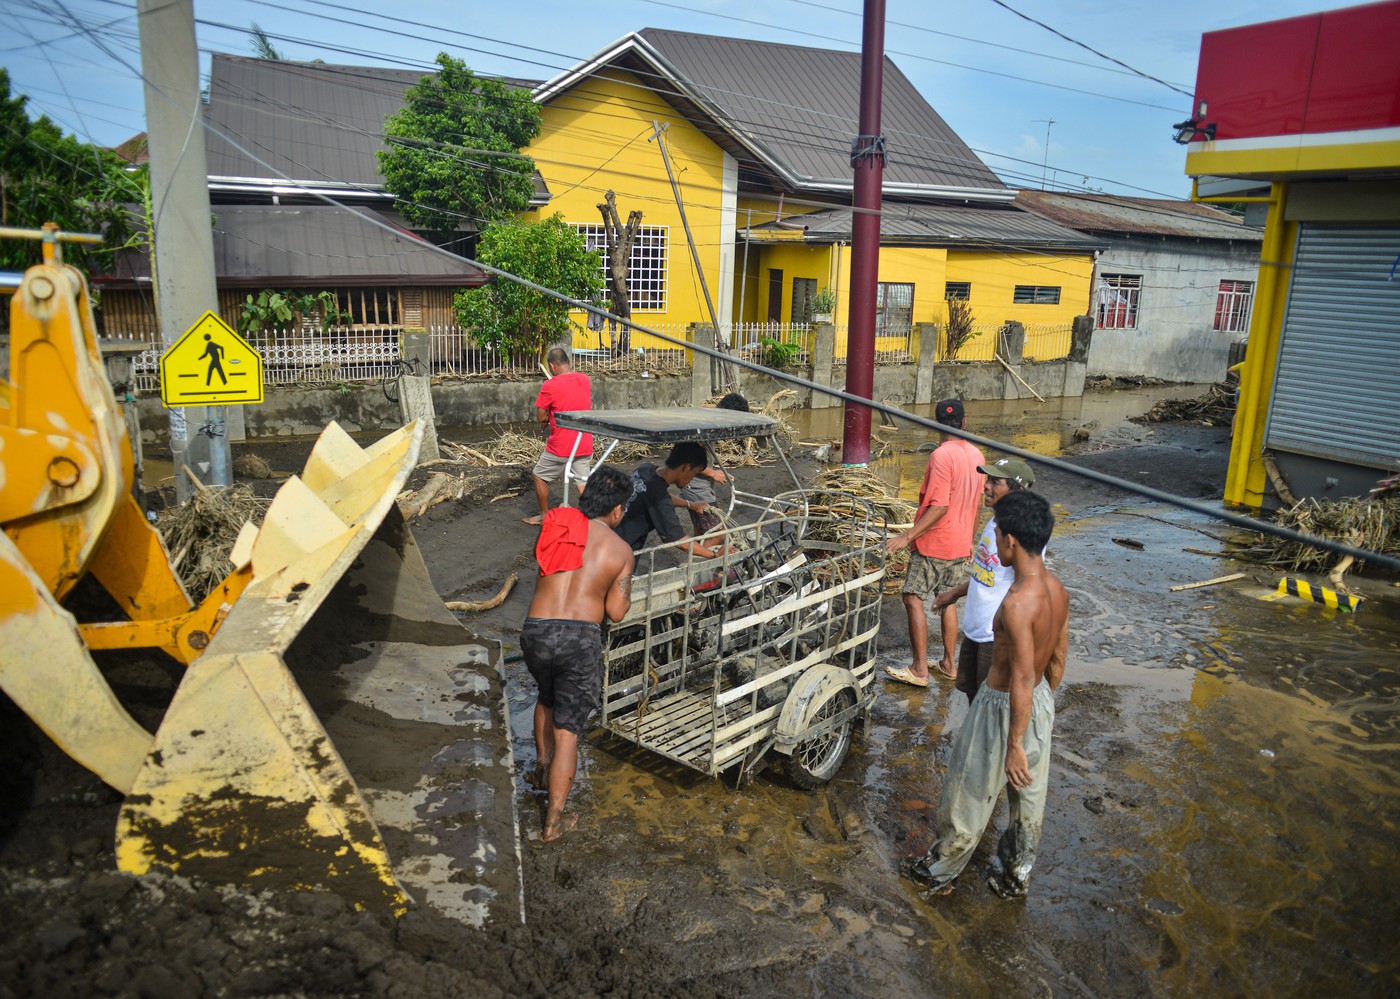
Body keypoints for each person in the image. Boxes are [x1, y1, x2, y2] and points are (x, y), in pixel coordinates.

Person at [905, 490, 1069, 899]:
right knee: (1027, 798)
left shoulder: (1017, 604)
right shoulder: (1057, 589)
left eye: (997, 537)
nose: (994, 545)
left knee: (969, 790)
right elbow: (1058, 660)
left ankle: (940, 871)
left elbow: (1020, 677)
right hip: (1040, 702)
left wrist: (1013, 741)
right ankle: (1014, 876)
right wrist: (1038, 716)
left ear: (1011, 541)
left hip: (1004, 706)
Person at [521, 465, 635, 842]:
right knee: (568, 732)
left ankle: (541, 766)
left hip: (535, 631)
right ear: (617, 510)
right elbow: (616, 612)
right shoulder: (620, 549)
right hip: (578, 639)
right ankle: (554, 820)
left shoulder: (554, 524)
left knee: (545, 697)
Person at [884, 399, 984, 687]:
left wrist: (906, 537)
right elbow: (977, 504)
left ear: (936, 424)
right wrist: (970, 541)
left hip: (935, 542)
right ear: (964, 423)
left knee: (912, 597)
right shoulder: (977, 454)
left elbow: (939, 506)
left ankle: (919, 670)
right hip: (960, 541)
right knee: (947, 599)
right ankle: (950, 664)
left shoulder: (941, 456)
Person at [933, 456, 1036, 702]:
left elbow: (1030, 582)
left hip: (996, 636)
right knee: (972, 695)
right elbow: (986, 573)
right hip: (975, 629)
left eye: (995, 482)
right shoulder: (994, 522)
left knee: (992, 704)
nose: (986, 487)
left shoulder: (1022, 531)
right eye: (987, 479)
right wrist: (953, 594)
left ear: (1017, 490)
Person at [615, 441, 728, 559]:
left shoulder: (645, 469)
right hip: (620, 553)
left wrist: (691, 505)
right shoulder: (659, 499)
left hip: (607, 535)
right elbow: (680, 541)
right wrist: (714, 554)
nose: (691, 479)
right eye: (694, 474)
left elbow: (659, 495)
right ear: (686, 468)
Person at [525, 346, 593, 526]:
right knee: (582, 481)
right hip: (584, 441)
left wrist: (548, 417)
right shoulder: (585, 380)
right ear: (568, 362)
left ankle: (544, 516)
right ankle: (596, 518)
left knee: (539, 475)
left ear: (552, 367)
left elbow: (540, 417)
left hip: (562, 445)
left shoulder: (550, 385)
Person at [676, 392, 750, 537]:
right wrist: (713, 473)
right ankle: (708, 556)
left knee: (701, 527)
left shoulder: (709, 419)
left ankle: (699, 555)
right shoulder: (701, 427)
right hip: (695, 485)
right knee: (719, 535)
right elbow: (687, 458)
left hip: (702, 483)